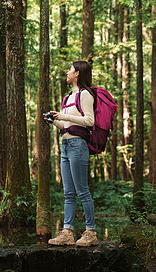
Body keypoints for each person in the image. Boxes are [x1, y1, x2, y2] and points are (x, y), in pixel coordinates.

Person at [46, 61, 98, 247]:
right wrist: (54, 120)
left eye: (70, 69)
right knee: (68, 193)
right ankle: (67, 232)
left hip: (78, 145)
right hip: (66, 145)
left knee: (82, 191)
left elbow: (89, 121)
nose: (67, 72)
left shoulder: (85, 94)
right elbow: (66, 126)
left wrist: (65, 116)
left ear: (77, 73)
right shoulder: (68, 97)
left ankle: (90, 232)